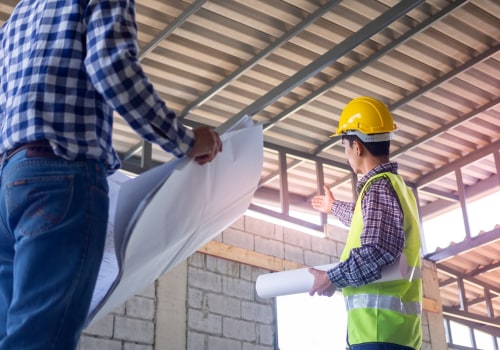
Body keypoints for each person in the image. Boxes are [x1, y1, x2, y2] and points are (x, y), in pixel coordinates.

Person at [0, 0, 222, 349]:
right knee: (41, 340)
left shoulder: (18, 17)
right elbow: (110, 67)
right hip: (63, 175)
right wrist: (185, 140)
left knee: (12, 331)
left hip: (10, 183)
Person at [309, 96, 422, 350]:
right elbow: (371, 222)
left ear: (357, 147)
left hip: (378, 333)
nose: (346, 155)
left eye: (344, 147)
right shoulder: (398, 188)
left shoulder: (379, 187)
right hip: (396, 334)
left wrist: (332, 277)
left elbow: (377, 249)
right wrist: (333, 207)